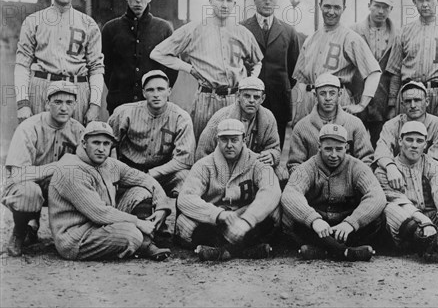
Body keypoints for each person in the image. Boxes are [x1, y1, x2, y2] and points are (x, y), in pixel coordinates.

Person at [150, 0, 263, 141]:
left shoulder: (242, 32)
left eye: (229, 0)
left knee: (235, 147)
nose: (224, 5)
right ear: (211, 1)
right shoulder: (194, 28)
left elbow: (257, 61)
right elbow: (158, 53)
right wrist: (189, 69)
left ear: (234, 3)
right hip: (207, 98)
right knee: (202, 147)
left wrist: (250, 82)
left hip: (235, 99)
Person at [48, 121, 172, 261]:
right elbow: (99, 213)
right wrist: (138, 222)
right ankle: (142, 243)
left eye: (106, 144)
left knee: (142, 191)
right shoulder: (71, 171)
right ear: (83, 143)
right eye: (96, 142)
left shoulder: (109, 164)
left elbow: (146, 180)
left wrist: (162, 206)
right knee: (132, 235)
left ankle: (146, 243)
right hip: (77, 237)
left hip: (101, 224)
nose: (101, 149)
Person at [375, 121, 438, 268]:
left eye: (419, 141)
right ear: (400, 141)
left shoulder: (434, 166)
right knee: (390, 209)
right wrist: (425, 223)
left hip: (432, 218)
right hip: (407, 227)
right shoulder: (385, 170)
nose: (414, 145)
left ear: (426, 144)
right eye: (409, 140)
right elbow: (401, 202)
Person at [176, 119, 281, 261]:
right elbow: (185, 198)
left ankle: (222, 252)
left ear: (244, 139)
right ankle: (245, 251)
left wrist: (247, 220)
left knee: (273, 212)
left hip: (245, 218)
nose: (229, 145)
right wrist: (219, 214)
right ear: (217, 140)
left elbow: (271, 191)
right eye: (224, 140)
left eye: (234, 140)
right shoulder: (204, 165)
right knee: (186, 221)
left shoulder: (258, 162)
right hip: (214, 220)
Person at [2, 81, 84, 256]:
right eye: (57, 102)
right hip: (27, 184)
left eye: (69, 103)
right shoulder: (28, 128)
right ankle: (20, 231)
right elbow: (18, 175)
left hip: (59, 187)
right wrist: (56, 167)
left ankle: (70, 233)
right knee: (28, 193)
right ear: (47, 104)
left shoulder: (79, 131)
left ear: (75, 105)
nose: (63, 108)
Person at [281, 124, 386, 261]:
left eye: (339, 149)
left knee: (378, 218)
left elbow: (377, 196)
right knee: (292, 219)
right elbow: (290, 194)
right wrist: (313, 220)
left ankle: (323, 251)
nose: (334, 155)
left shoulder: (356, 167)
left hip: (346, 227)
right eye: (328, 149)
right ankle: (345, 252)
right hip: (318, 227)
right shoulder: (307, 167)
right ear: (319, 147)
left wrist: (351, 223)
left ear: (346, 148)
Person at [14, 0, 104, 125]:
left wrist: (95, 104)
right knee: (40, 144)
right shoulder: (33, 21)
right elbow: (22, 64)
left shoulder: (88, 24)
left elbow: (96, 67)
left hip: (77, 88)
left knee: (77, 144)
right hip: (42, 87)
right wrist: (22, 102)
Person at [292, 0, 381, 124]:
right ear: (320, 6)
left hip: (336, 99)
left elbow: (374, 72)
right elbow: (301, 81)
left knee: (335, 143)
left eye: (337, 7)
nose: (331, 12)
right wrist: (298, 111)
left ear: (343, 8)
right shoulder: (310, 39)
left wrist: (362, 105)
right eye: (327, 6)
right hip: (310, 99)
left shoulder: (350, 37)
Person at [108, 70, 195, 198]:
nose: (156, 95)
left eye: (160, 89)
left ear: (169, 91)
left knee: (185, 179)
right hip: (130, 171)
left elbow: (184, 160)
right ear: (143, 93)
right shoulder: (125, 112)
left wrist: (154, 173)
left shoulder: (181, 117)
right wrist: (114, 171)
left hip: (164, 173)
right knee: (141, 202)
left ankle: (182, 216)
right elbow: (108, 144)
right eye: (150, 90)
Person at [102, 0, 178, 114]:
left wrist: (160, 93)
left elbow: (172, 68)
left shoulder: (164, 28)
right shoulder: (111, 28)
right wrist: (117, 90)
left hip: (153, 106)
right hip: (120, 104)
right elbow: (106, 67)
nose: (138, 0)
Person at [240, 0, 300, 148]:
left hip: (278, 102)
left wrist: (280, 86)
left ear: (277, 0)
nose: (267, 2)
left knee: (275, 150)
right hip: (248, 101)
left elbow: (293, 72)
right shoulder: (242, 28)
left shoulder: (289, 32)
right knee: (247, 147)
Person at [195, 77, 288, 186]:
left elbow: (275, 148)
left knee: (282, 174)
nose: (252, 100)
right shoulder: (222, 117)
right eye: (247, 96)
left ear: (263, 99)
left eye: (256, 97)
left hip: (253, 168)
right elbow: (202, 152)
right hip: (225, 168)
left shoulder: (268, 118)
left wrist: (271, 155)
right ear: (238, 96)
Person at [287, 73, 373, 173]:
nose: (328, 98)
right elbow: (295, 164)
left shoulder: (354, 124)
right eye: (322, 93)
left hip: (348, 182)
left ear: (340, 94)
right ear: (315, 95)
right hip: (313, 182)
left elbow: (366, 160)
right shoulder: (302, 127)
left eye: (332, 93)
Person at [350, 0, 401, 147]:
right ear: (369, 5)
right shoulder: (353, 31)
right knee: (353, 145)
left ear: (391, 9)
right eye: (377, 6)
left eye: (385, 7)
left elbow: (396, 71)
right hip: (357, 98)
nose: (380, 11)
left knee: (382, 146)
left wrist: (392, 103)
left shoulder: (398, 35)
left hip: (383, 102)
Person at [375, 81, 438, 182]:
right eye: (408, 101)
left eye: (417, 100)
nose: (413, 105)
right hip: (398, 174)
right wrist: (390, 167)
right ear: (402, 104)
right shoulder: (391, 125)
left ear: (427, 102)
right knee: (380, 172)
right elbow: (382, 152)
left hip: (426, 176)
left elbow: (436, 159)